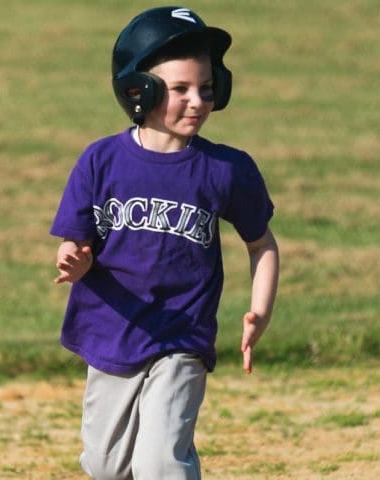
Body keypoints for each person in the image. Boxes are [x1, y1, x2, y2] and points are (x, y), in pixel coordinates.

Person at [50, 6, 279, 479]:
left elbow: (261, 243)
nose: (197, 101)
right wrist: (73, 260)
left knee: (160, 465)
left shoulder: (226, 170)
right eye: (180, 89)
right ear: (139, 91)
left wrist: (261, 310)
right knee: (106, 466)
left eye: (207, 88)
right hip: (112, 330)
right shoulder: (101, 161)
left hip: (182, 335)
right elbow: (77, 243)